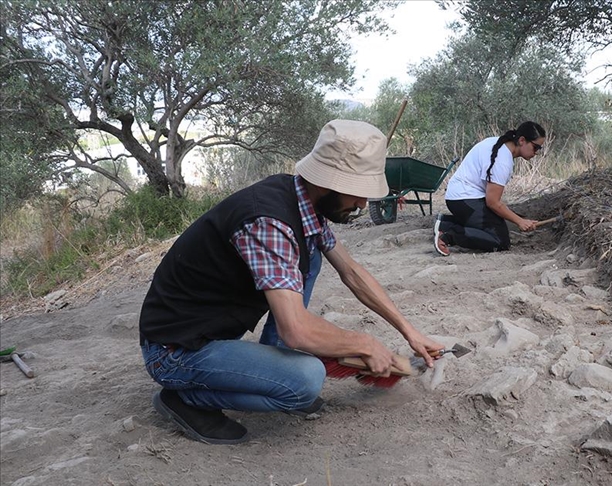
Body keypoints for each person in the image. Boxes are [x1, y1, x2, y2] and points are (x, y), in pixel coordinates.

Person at [139, 119, 444, 445]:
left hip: (204, 329)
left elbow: (351, 272)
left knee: (311, 253)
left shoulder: (301, 200)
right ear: (331, 182)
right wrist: (365, 345)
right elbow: (296, 330)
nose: (362, 204)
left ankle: (274, 362)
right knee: (305, 381)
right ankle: (185, 399)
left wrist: (408, 331)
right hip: (175, 350)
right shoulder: (270, 221)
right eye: (358, 193)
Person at [434, 121, 546, 256]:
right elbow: (492, 202)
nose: (536, 153)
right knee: (500, 241)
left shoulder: (497, 143)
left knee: (499, 224)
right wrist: (520, 221)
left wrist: (519, 220)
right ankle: (449, 235)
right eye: (536, 148)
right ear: (522, 140)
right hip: (465, 199)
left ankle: (444, 222)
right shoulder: (502, 160)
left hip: (458, 196)